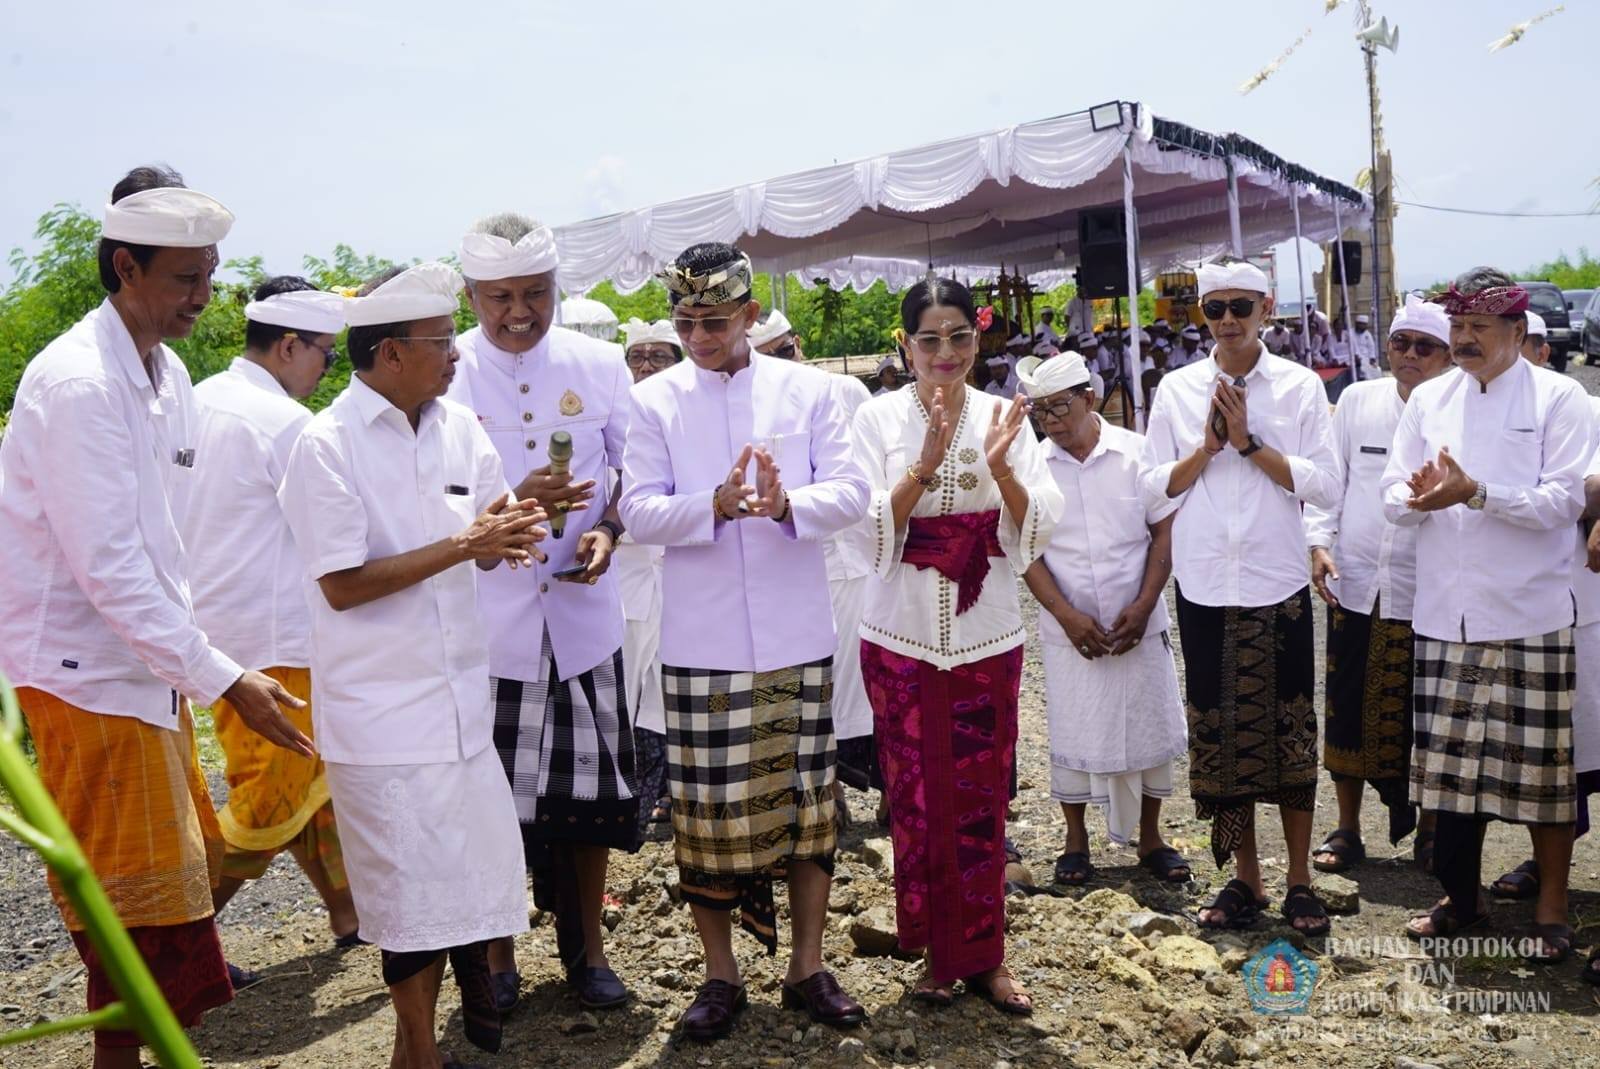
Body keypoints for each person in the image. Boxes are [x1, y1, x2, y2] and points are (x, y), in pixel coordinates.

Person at [0, 168, 315, 1068]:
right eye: (186, 278)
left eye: (211, 275)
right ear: (125, 268)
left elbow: (163, 547)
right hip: (82, 675)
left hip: (147, 672)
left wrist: (201, 664)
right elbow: (109, 571)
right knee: (131, 913)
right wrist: (224, 676)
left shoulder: (168, 371)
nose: (204, 298)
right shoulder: (74, 383)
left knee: (163, 900)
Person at [279, 262, 543, 1067]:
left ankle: (416, 1044)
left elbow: (488, 535)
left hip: (462, 699)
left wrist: (522, 519)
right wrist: (465, 544)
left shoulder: (457, 425)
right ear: (391, 353)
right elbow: (343, 583)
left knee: (464, 883)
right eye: (442, 343)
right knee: (403, 898)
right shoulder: (325, 445)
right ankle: (419, 1047)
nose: (458, 354)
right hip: (385, 716)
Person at [619, 242, 870, 1040]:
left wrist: (788, 502)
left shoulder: (812, 391)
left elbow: (854, 492)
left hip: (797, 634)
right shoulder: (654, 400)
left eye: (715, 321)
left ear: (752, 317)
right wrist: (716, 503)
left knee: (808, 811)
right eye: (686, 320)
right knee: (707, 819)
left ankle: (806, 963)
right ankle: (720, 972)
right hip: (704, 641)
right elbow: (638, 511)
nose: (698, 335)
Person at [446, 214, 640, 1013]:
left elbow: (635, 473)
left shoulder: (600, 364)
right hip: (489, 629)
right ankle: (496, 955)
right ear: (471, 296)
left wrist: (607, 530)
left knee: (590, 800)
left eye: (535, 293)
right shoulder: (443, 369)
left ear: (559, 287)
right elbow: (434, 502)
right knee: (493, 801)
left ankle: (588, 949)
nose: (519, 312)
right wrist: (508, 504)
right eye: (499, 297)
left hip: (584, 622)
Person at [853, 277, 1063, 1015]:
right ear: (905, 347)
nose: (946, 352)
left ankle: (985, 955)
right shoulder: (875, 418)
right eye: (930, 339)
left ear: (979, 342)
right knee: (914, 800)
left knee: (979, 799)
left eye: (960, 338)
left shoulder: (1006, 414)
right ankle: (937, 956)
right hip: (900, 636)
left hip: (986, 633)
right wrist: (926, 463)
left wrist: (1000, 467)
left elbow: (1036, 530)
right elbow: (866, 530)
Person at [1381, 268, 1593, 965]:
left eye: (1478, 328)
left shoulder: (1562, 397)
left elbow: (1562, 501)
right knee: (1448, 777)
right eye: (1459, 327)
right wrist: (1414, 496)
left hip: (1529, 610)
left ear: (1517, 332)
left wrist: (1476, 494)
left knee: (1542, 774)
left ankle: (1553, 908)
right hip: (1447, 613)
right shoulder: (1430, 398)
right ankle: (1461, 899)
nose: (1464, 339)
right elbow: (1392, 486)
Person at [1140, 258, 1340, 936]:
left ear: (1268, 307)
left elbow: (1324, 483)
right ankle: (1246, 876)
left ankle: (1301, 878)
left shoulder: (1300, 386)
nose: (1227, 319)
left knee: (1289, 730)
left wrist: (1251, 444)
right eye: (1214, 307)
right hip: (1203, 585)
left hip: (1274, 580)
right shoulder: (1176, 388)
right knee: (1220, 735)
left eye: (1240, 306)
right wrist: (1205, 448)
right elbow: (1152, 487)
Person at [181, 277, 360, 966]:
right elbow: (335, 533)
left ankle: (350, 912)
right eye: (325, 354)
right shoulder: (285, 424)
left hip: (217, 633)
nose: (325, 370)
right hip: (274, 638)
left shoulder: (197, 401)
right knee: (270, 798)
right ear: (289, 345)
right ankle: (163, 948)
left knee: (311, 784)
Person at [1015, 353, 1189, 888]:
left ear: (1090, 399)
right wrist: (1066, 616)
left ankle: (1152, 839)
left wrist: (1143, 604)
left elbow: (1163, 532)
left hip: (1138, 621)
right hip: (1073, 631)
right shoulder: (1032, 469)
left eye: (1061, 407)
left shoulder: (1139, 455)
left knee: (1147, 726)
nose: (1052, 421)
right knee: (1076, 729)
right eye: (1041, 413)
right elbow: (1025, 552)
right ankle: (1075, 841)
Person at [1303, 295, 1455, 877]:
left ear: (1446, 355)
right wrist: (1319, 544)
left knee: (1426, 716)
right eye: (1401, 343)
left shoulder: (1455, 413)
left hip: (1428, 591)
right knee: (1345, 708)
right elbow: (1331, 484)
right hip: (1358, 580)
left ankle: (1434, 831)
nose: (1410, 355)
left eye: (1425, 346)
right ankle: (1348, 828)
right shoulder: (1358, 400)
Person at [749, 308, 882, 827]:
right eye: (769, 356)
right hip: (792, 564)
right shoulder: (752, 407)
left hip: (855, 557)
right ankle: (822, 799)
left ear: (798, 344)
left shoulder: (843, 392)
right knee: (805, 685)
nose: (786, 362)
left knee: (863, 682)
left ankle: (881, 795)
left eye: (787, 350)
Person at [616, 317, 682, 840]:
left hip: (685, 577)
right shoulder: (615, 419)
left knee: (675, 691)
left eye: (659, 357)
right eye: (638, 357)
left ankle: (671, 795)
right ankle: (631, 805)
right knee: (629, 693)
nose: (645, 367)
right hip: (630, 579)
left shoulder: (692, 417)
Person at [1351, 313, 1379, 378]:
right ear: (1357, 324)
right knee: (1365, 369)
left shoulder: (1367, 334)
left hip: (1366, 358)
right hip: (1355, 358)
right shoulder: (1350, 333)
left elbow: (1371, 347)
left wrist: (1372, 358)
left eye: (1364, 325)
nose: (1363, 326)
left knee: (1377, 370)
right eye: (1361, 324)